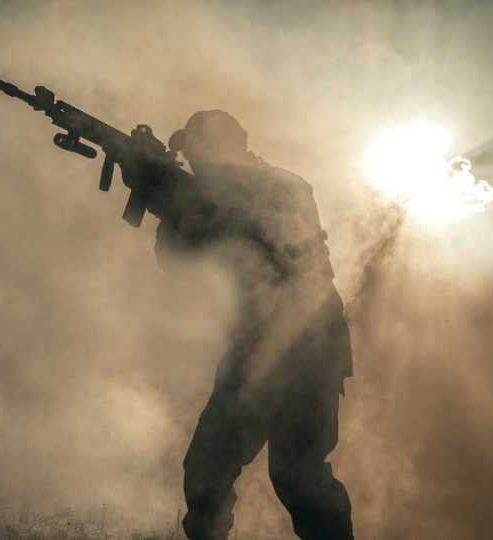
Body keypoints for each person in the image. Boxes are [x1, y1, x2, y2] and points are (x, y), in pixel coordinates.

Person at [120, 110, 354, 540]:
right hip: (255, 348)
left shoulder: (282, 186)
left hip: (308, 347)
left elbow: (244, 229)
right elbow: (181, 263)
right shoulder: (214, 195)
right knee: (207, 469)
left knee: (298, 477)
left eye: (196, 149)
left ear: (223, 147)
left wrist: (171, 197)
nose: (190, 159)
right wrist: (162, 202)